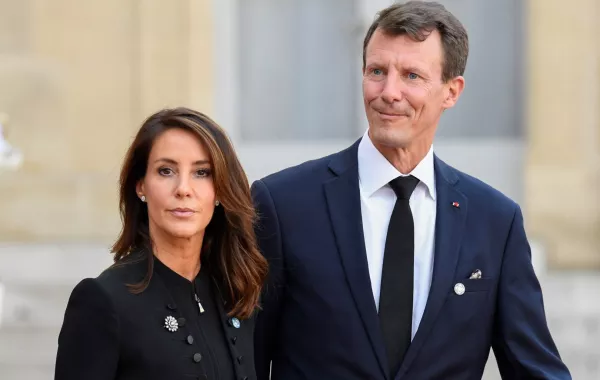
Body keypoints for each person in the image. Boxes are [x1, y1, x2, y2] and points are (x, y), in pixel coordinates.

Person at [252, 2, 571, 379]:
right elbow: (245, 360)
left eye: (412, 76)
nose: (389, 92)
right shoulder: (282, 204)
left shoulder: (495, 222)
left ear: (451, 91)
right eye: (377, 71)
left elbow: (535, 369)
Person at [55, 107, 268, 380]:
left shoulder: (238, 290)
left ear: (221, 189)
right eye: (166, 171)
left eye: (202, 172)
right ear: (140, 185)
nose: (183, 188)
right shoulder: (102, 300)